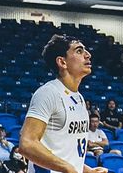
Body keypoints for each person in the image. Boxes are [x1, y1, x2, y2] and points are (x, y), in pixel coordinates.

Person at [17, 34, 105, 173]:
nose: (88, 55)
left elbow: (65, 155)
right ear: (62, 62)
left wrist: (88, 171)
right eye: (79, 51)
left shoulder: (79, 98)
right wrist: (67, 168)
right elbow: (27, 144)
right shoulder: (48, 93)